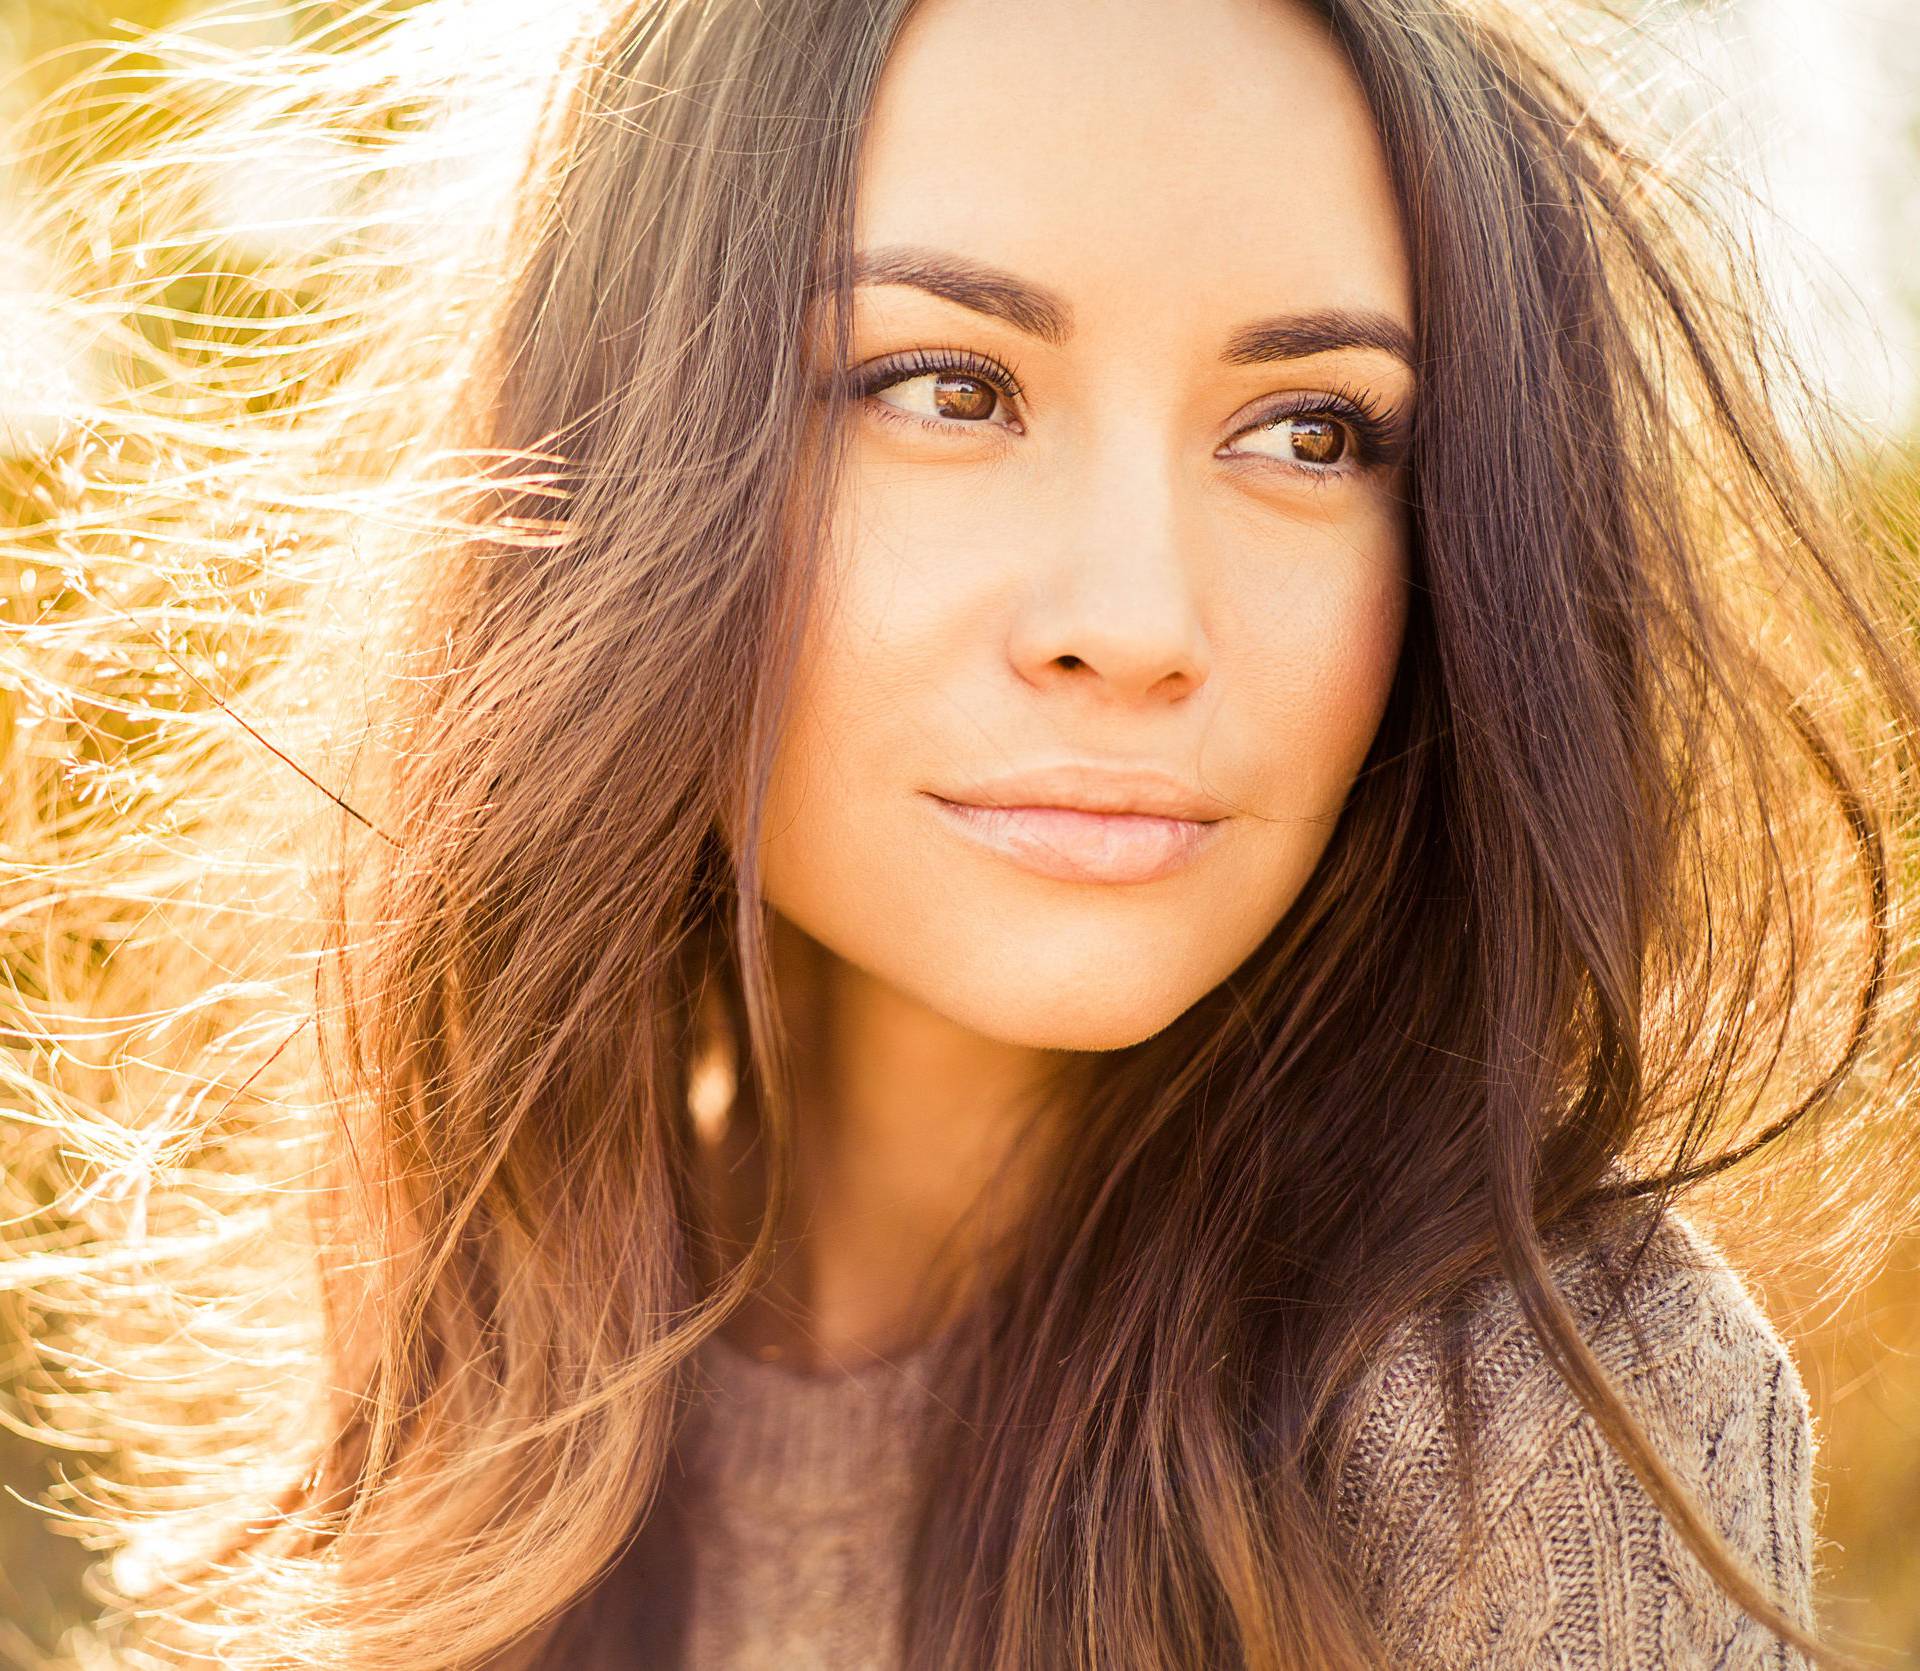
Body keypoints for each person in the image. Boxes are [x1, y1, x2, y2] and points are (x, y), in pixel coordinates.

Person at [11, 0, 1920, 1667]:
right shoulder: (471, 1366)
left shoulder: (1524, 1415)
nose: (1140, 621)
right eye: (948, 386)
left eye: (1314, 432)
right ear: (616, 468)